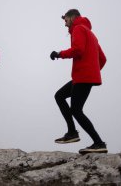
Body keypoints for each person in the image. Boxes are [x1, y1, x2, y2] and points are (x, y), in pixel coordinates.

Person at [50, 9, 107, 154]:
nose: (65, 24)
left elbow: (78, 50)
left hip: (82, 77)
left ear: (72, 17)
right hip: (84, 77)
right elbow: (103, 59)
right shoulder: (91, 34)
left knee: (76, 110)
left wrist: (59, 54)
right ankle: (72, 132)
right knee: (60, 96)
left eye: (65, 20)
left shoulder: (78, 29)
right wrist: (93, 72)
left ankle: (98, 143)